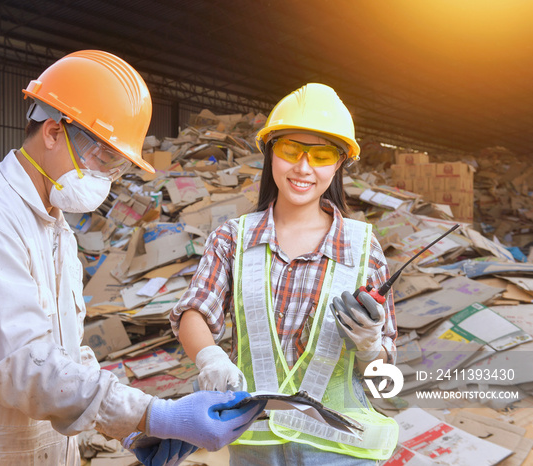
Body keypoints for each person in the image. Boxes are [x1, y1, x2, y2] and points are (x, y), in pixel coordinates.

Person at [0, 50, 264, 466]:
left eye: (118, 166)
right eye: (105, 157)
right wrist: (153, 414)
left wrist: (128, 427)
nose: (108, 178)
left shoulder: (55, 228)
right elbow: (21, 364)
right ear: (53, 131)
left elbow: (65, 354)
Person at [170, 83, 400, 465]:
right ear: (270, 152)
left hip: (339, 452)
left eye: (321, 154)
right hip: (255, 448)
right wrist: (210, 357)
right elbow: (195, 311)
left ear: (339, 163)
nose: (303, 168)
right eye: (291, 150)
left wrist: (370, 346)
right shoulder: (233, 239)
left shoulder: (363, 249)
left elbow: (382, 377)